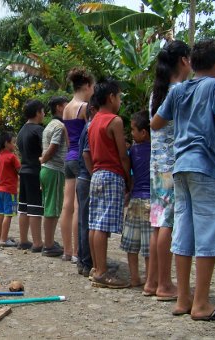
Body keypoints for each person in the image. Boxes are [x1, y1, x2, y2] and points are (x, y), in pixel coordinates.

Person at [152, 39, 215, 321]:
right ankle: (202, 304)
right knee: (206, 235)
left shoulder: (179, 90)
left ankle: (183, 299)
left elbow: (156, 123)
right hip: (208, 169)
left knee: (184, 233)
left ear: (191, 63)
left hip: (181, 168)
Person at [143, 40, 191, 300]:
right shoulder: (181, 91)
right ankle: (164, 285)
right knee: (167, 225)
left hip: (156, 167)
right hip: (173, 166)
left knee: (158, 224)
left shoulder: (158, 92)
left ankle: (152, 282)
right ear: (184, 60)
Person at [88, 79, 130, 289]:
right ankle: (103, 273)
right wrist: (129, 180)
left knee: (95, 223)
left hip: (96, 175)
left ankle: (97, 268)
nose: (120, 101)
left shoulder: (93, 121)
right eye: (119, 96)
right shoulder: (115, 121)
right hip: (112, 175)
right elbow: (122, 155)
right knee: (102, 226)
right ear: (111, 97)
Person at [60, 68, 94, 262]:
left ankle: (67, 250)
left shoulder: (66, 108)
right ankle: (77, 252)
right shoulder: (85, 107)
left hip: (69, 156)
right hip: (81, 158)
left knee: (67, 205)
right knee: (79, 206)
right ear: (87, 85)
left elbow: (67, 136)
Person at [119, 110, 152, 287]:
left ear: (143, 132)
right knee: (149, 247)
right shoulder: (155, 150)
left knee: (131, 244)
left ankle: (134, 277)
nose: (131, 133)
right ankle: (149, 279)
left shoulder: (132, 151)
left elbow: (128, 171)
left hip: (134, 201)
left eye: (133, 130)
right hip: (151, 202)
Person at [39, 96, 68, 257]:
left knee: (49, 206)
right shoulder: (59, 126)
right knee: (52, 208)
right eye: (66, 105)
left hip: (47, 170)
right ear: (59, 107)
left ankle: (48, 242)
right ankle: (49, 245)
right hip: (54, 170)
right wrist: (44, 159)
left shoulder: (49, 125)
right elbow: (53, 147)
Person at [16, 99, 45, 251]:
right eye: (42, 111)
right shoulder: (38, 130)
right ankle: (38, 242)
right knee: (35, 207)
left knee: (24, 207)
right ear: (37, 113)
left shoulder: (21, 131)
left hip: (23, 171)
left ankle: (23, 240)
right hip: (35, 171)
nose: (44, 114)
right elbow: (46, 150)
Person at [75, 95, 98, 276]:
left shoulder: (85, 127)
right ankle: (87, 261)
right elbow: (86, 154)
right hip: (87, 178)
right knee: (87, 222)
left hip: (82, 178)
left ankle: (83, 261)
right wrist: (94, 175)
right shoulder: (91, 127)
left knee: (84, 221)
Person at [0, 131, 21, 247]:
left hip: (0, 189)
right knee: (8, 215)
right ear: (6, 143)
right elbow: (20, 170)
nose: (14, 145)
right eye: (13, 142)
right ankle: (4, 240)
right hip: (10, 190)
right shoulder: (12, 157)